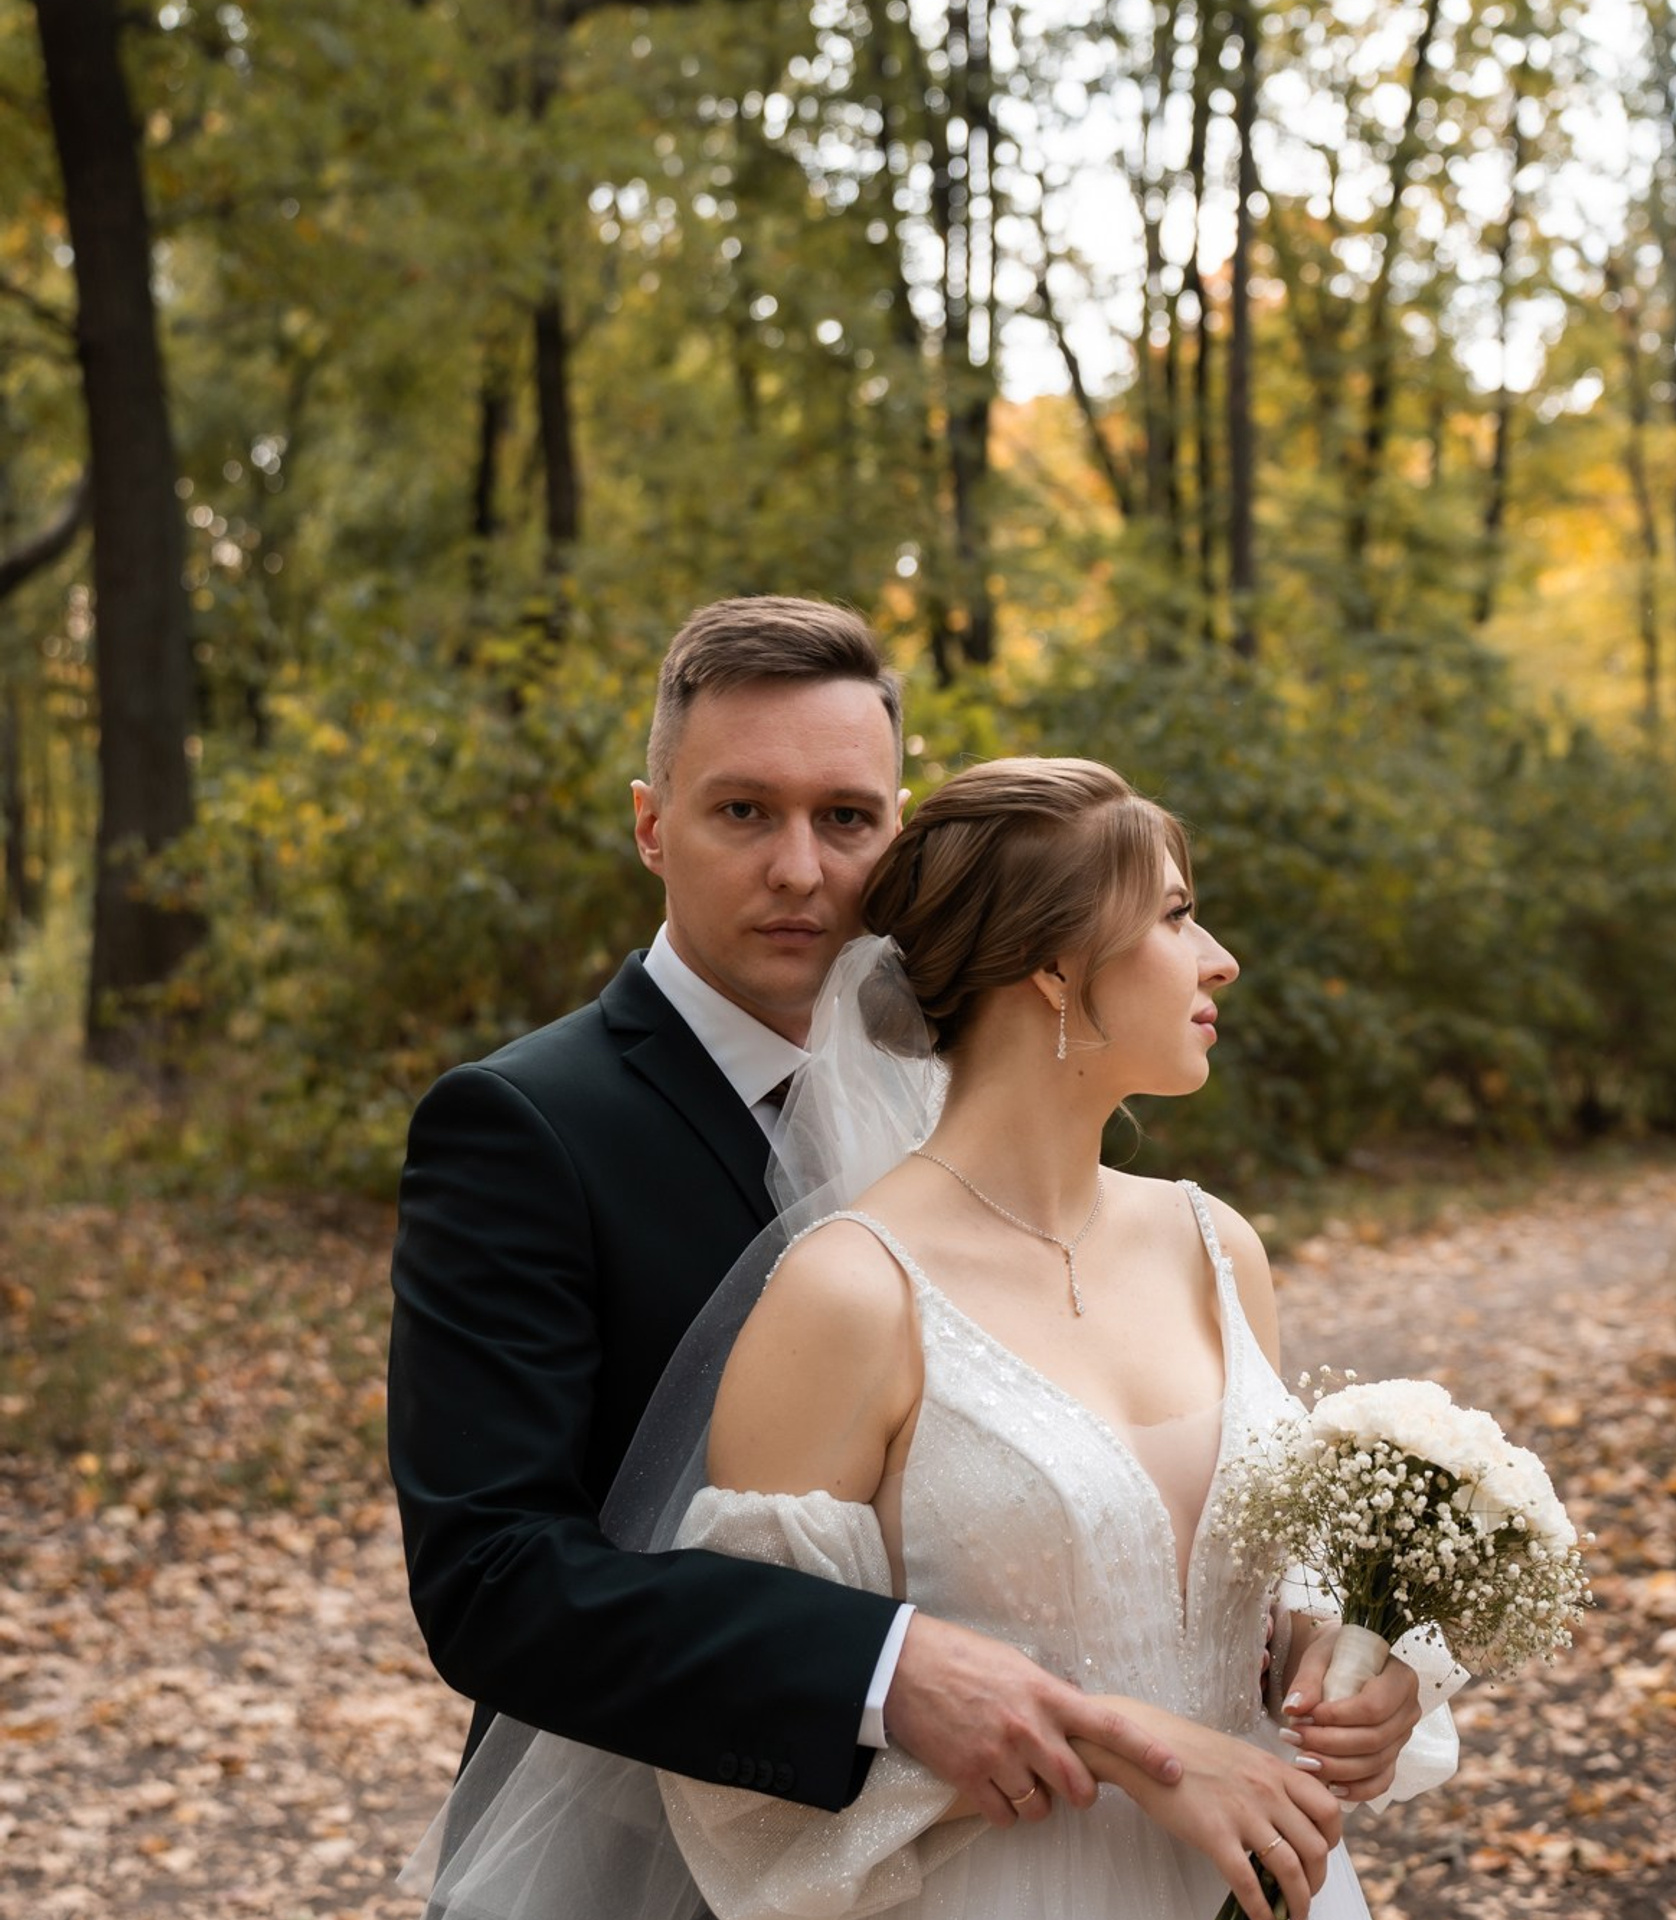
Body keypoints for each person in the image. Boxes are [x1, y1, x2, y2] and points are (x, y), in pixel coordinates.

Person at [411, 757, 1460, 1920]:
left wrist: (1342, 1659)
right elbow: (744, 1776)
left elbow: (1251, 1582)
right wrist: (1122, 1753)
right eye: (1173, 916)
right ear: (1057, 966)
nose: (1219, 958)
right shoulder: (849, 1294)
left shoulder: (1217, 1247)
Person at [389, 599, 1199, 1835]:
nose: (800, 869)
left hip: (1019, 1837)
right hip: (657, 1845)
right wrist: (883, 1668)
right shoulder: (520, 1125)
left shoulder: (979, 1092)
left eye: (847, 819)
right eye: (742, 811)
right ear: (653, 827)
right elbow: (492, 1579)